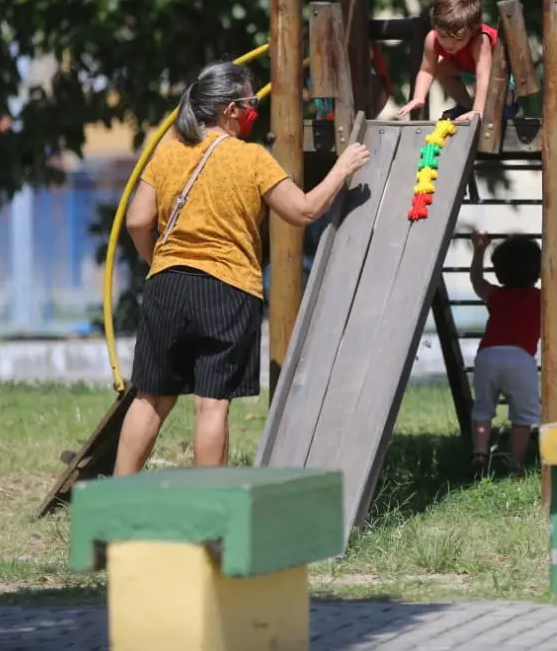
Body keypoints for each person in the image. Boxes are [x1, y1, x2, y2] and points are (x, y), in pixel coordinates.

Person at [115, 61, 371, 475]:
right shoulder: (252, 159)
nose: (255, 109)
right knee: (211, 404)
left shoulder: (168, 151)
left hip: (167, 283)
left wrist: (161, 261)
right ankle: (213, 507)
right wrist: (342, 169)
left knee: (152, 397)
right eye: (250, 102)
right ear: (230, 109)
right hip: (227, 288)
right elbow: (303, 210)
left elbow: (137, 221)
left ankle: (115, 496)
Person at [467, 231, 542, 474]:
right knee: (522, 416)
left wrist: (479, 250)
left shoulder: (497, 295)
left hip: (488, 355)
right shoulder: (541, 297)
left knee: (483, 408)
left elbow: (477, 280)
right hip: (521, 358)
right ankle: (516, 462)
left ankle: (479, 454)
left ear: (499, 272)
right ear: (539, 271)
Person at [395, 0, 515, 125]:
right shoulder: (432, 39)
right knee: (441, 66)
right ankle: (465, 105)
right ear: (437, 26)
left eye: (458, 39)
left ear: (472, 31)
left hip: (501, 79)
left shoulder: (480, 40)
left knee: (493, 93)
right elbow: (427, 70)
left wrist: (478, 112)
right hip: (469, 72)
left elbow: (484, 77)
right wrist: (418, 97)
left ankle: (500, 106)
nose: (449, 44)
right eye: (444, 36)